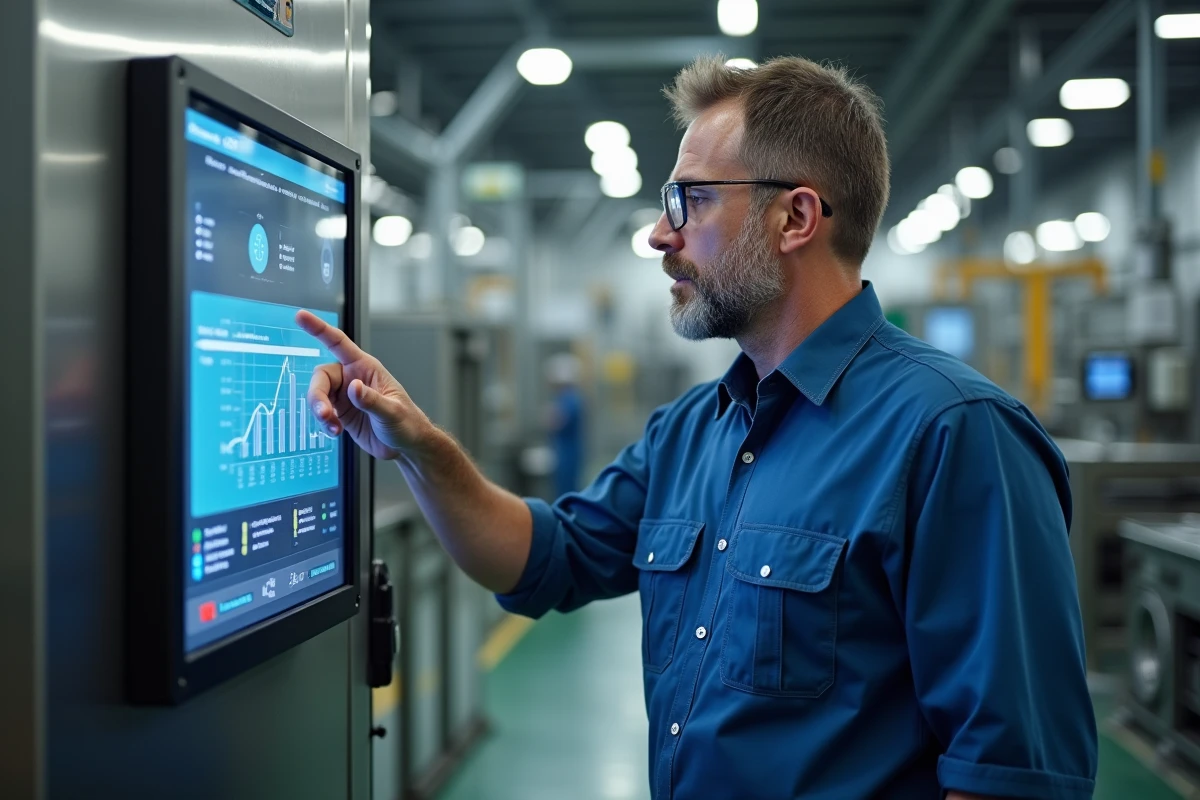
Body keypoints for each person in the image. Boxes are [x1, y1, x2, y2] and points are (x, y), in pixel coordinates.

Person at [297, 55, 1097, 800]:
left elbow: (1011, 774)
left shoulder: (956, 437)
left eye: (692, 199)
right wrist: (418, 449)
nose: (659, 234)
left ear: (795, 217)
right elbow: (541, 560)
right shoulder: (691, 432)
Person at [543, 353, 586, 498]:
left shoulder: (570, 399)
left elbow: (557, 422)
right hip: (563, 451)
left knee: (567, 490)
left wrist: (550, 417)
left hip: (568, 454)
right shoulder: (565, 398)